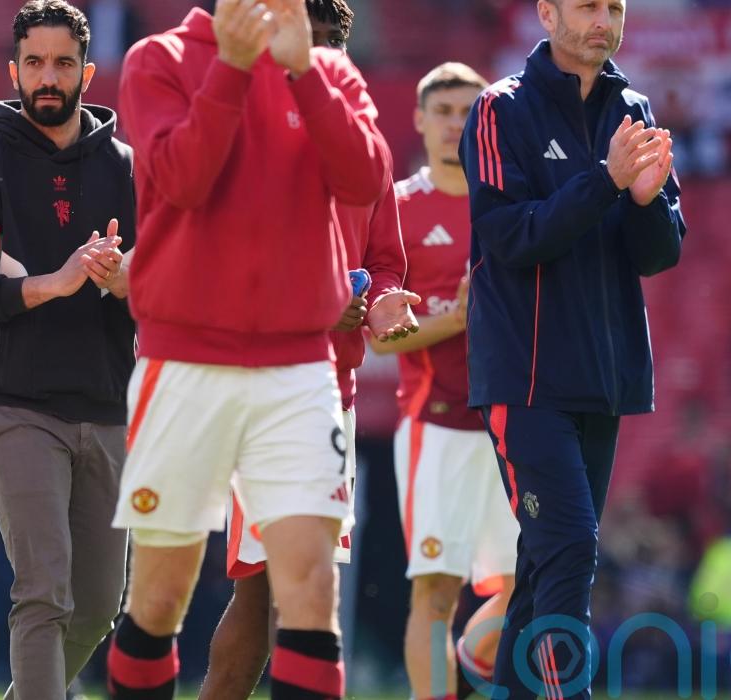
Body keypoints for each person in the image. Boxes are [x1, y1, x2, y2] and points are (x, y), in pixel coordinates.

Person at [109, 1, 418, 698]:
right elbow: (182, 179)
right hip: (185, 357)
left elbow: (365, 179)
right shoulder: (159, 59)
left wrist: (306, 72)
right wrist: (234, 66)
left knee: (308, 592)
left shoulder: (330, 70)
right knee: (159, 598)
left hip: (300, 366)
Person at [459, 1, 686, 697]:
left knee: (542, 567)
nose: (603, 20)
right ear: (547, 13)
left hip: (604, 381)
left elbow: (659, 255)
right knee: (569, 549)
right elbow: (509, 238)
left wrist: (645, 202)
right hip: (525, 380)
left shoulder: (634, 110)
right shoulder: (500, 109)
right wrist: (604, 183)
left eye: (614, 6)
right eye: (587, 5)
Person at [0, 2, 136, 698]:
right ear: (13, 71)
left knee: (98, 606)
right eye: (35, 62)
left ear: (87, 74)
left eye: (63, 63)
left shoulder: (129, 169)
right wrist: (52, 284)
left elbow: (176, 284)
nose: (48, 77)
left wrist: (131, 283)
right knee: (44, 590)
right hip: (15, 405)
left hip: (108, 406)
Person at [197, 2, 411, 697]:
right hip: (262, 386)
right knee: (282, 591)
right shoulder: (247, 132)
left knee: (286, 589)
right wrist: (316, 299)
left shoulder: (365, 144)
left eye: (325, 42)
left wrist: (382, 301)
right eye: (298, 38)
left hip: (333, 389)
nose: (309, 53)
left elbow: (384, 262)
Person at [368, 62, 519, 700]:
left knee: (529, 586)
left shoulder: (514, 201)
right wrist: (456, 319)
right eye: (444, 111)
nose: (456, 123)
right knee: (434, 591)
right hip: (438, 426)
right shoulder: (399, 208)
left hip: (515, 425)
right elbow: (380, 335)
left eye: (468, 112)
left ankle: (463, 661)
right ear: (420, 120)